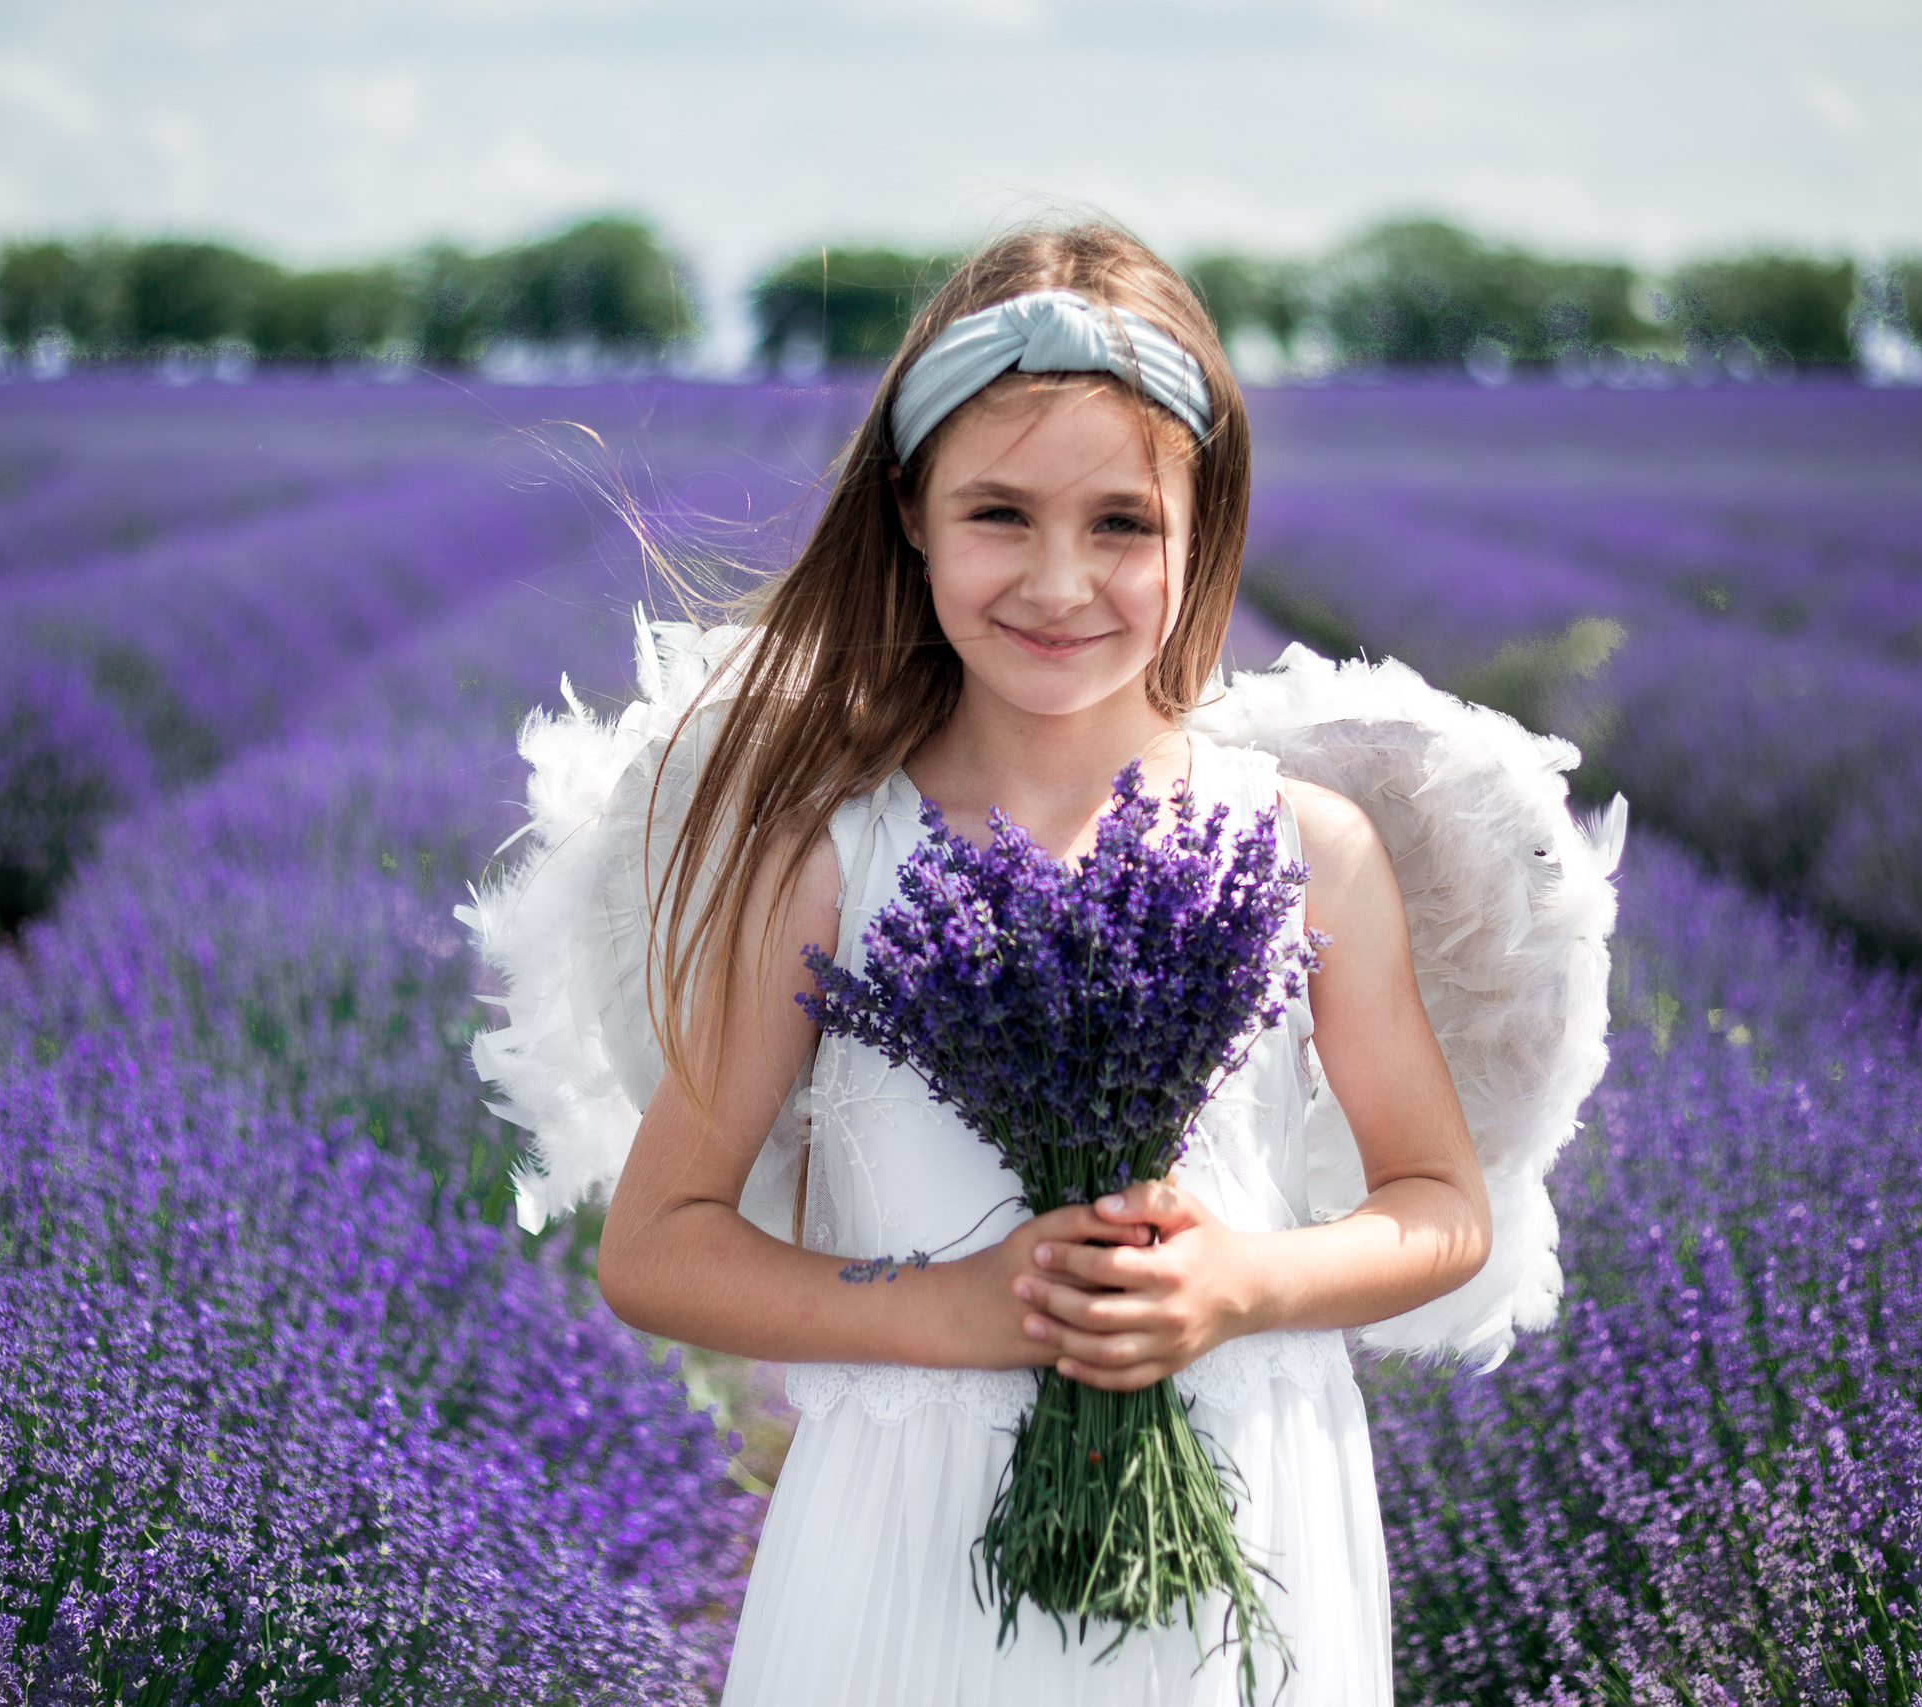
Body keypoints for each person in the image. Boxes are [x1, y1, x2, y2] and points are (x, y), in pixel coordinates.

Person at [465, 221, 1621, 1704]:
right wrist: (953, 1307)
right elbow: (658, 1243)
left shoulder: (1312, 848)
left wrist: (1242, 1282)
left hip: (1242, 1502)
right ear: (911, 519)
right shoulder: (829, 861)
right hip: (914, 1521)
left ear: (1205, 527)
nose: (1060, 579)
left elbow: (1441, 1210)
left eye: (1122, 525)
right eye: (999, 514)